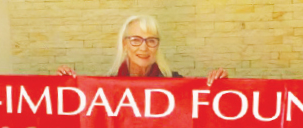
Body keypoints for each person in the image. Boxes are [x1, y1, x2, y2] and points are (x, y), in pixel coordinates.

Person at [56, 15, 228, 85]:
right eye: (136, 40)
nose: (144, 48)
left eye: (151, 40)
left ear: (157, 45)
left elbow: (201, 111)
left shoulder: (174, 83)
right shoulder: (108, 84)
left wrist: (219, 86)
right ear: (124, 44)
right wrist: (66, 85)